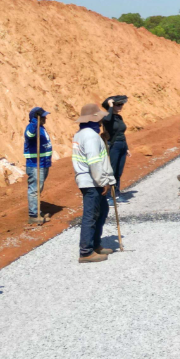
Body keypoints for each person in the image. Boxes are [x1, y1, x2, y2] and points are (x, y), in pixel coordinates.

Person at [73, 103, 117, 262]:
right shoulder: (90, 136)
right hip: (92, 181)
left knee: (102, 211)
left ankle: (96, 244)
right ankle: (86, 252)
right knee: (91, 215)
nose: (100, 122)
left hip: (88, 180)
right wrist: (103, 181)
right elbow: (94, 161)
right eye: (98, 119)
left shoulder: (82, 134)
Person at [24, 107, 52, 225]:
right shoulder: (32, 128)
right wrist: (35, 121)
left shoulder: (41, 128)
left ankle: (37, 211)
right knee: (34, 190)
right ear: (37, 118)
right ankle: (34, 215)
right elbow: (29, 135)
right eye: (43, 116)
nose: (46, 118)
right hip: (35, 164)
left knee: (38, 188)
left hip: (43, 163)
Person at [100, 95, 129, 198]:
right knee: (112, 170)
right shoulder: (107, 117)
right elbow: (107, 121)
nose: (121, 106)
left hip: (122, 145)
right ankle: (109, 194)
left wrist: (127, 147)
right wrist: (110, 106)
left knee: (119, 171)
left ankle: (116, 192)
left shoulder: (119, 117)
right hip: (113, 146)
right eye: (118, 105)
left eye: (121, 104)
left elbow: (122, 132)